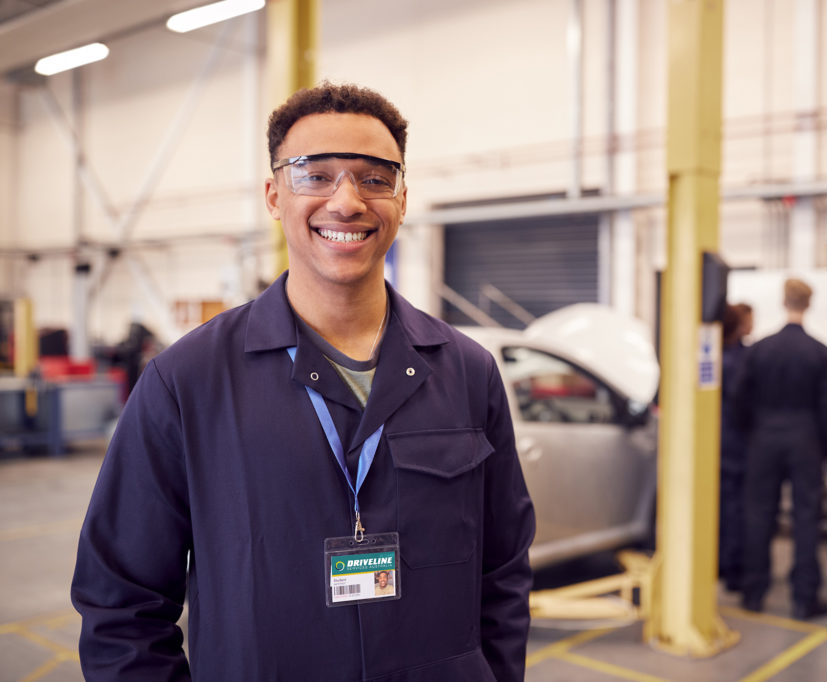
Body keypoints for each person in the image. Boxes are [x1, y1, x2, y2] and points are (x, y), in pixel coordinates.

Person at [71, 82, 536, 680]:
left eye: (374, 177)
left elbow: (503, 573)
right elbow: (121, 605)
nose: (346, 201)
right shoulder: (185, 383)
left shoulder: (468, 372)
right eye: (314, 175)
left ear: (401, 196)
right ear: (274, 195)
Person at [736, 278, 827, 620]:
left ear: (783, 302)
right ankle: (803, 598)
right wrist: (824, 447)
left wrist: (752, 432)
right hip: (805, 441)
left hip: (763, 440)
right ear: (808, 304)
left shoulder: (759, 350)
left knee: (758, 515)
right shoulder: (822, 354)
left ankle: (754, 592)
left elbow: (740, 400)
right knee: (806, 518)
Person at [719, 303, 752, 592]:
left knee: (721, 505)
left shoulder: (711, 357)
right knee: (735, 508)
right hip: (735, 444)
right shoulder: (740, 361)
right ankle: (734, 569)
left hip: (716, 443)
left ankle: (717, 563)